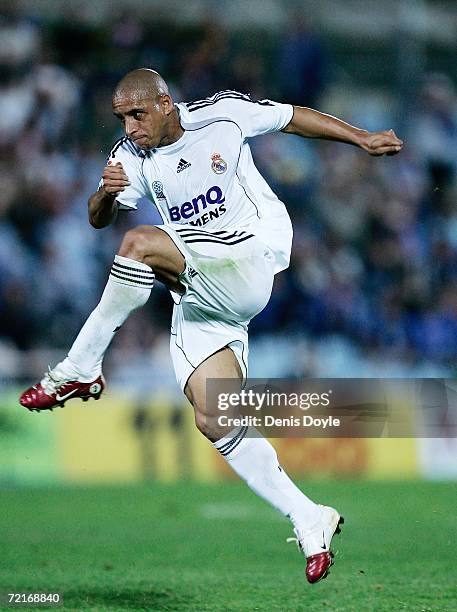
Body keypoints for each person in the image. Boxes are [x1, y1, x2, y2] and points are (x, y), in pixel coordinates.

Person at [20, 69, 403, 584]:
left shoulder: (220, 116)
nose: (129, 127)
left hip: (250, 256)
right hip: (203, 287)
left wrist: (360, 137)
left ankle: (79, 366)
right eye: (121, 118)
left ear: (164, 103)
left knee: (139, 245)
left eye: (137, 114)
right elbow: (97, 218)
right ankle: (309, 516)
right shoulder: (129, 157)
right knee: (214, 415)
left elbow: (292, 119)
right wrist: (106, 195)